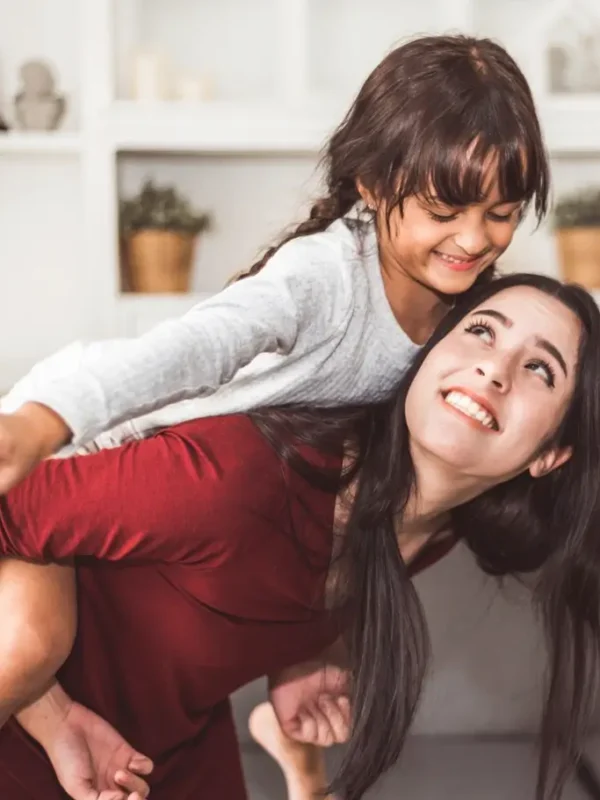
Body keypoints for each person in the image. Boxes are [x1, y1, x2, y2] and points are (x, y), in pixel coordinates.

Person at [0, 32, 550, 799]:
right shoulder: (325, 278)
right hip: (81, 436)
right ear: (370, 179)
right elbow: (193, 348)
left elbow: (348, 513)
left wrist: (304, 651)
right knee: (28, 647)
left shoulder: (460, 325)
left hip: (163, 658)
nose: (473, 239)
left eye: (502, 212)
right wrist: (42, 420)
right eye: (445, 208)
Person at [0, 274, 598, 800]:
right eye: (482, 331)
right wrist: (42, 698)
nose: (495, 367)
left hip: (159, 755)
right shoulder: (239, 478)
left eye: (540, 368)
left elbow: (273, 580)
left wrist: (309, 651)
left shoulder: (432, 532)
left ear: (552, 454)